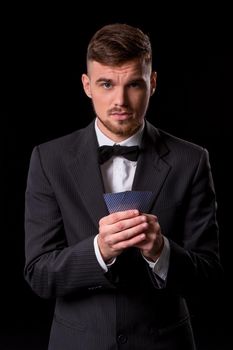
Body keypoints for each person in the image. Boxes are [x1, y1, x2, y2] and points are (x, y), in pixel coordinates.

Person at [24, 23, 222, 350]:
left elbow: (209, 277)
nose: (120, 100)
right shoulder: (49, 159)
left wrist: (162, 252)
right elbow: (39, 275)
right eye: (106, 84)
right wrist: (99, 251)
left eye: (133, 84)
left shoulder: (192, 160)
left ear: (152, 83)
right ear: (87, 85)